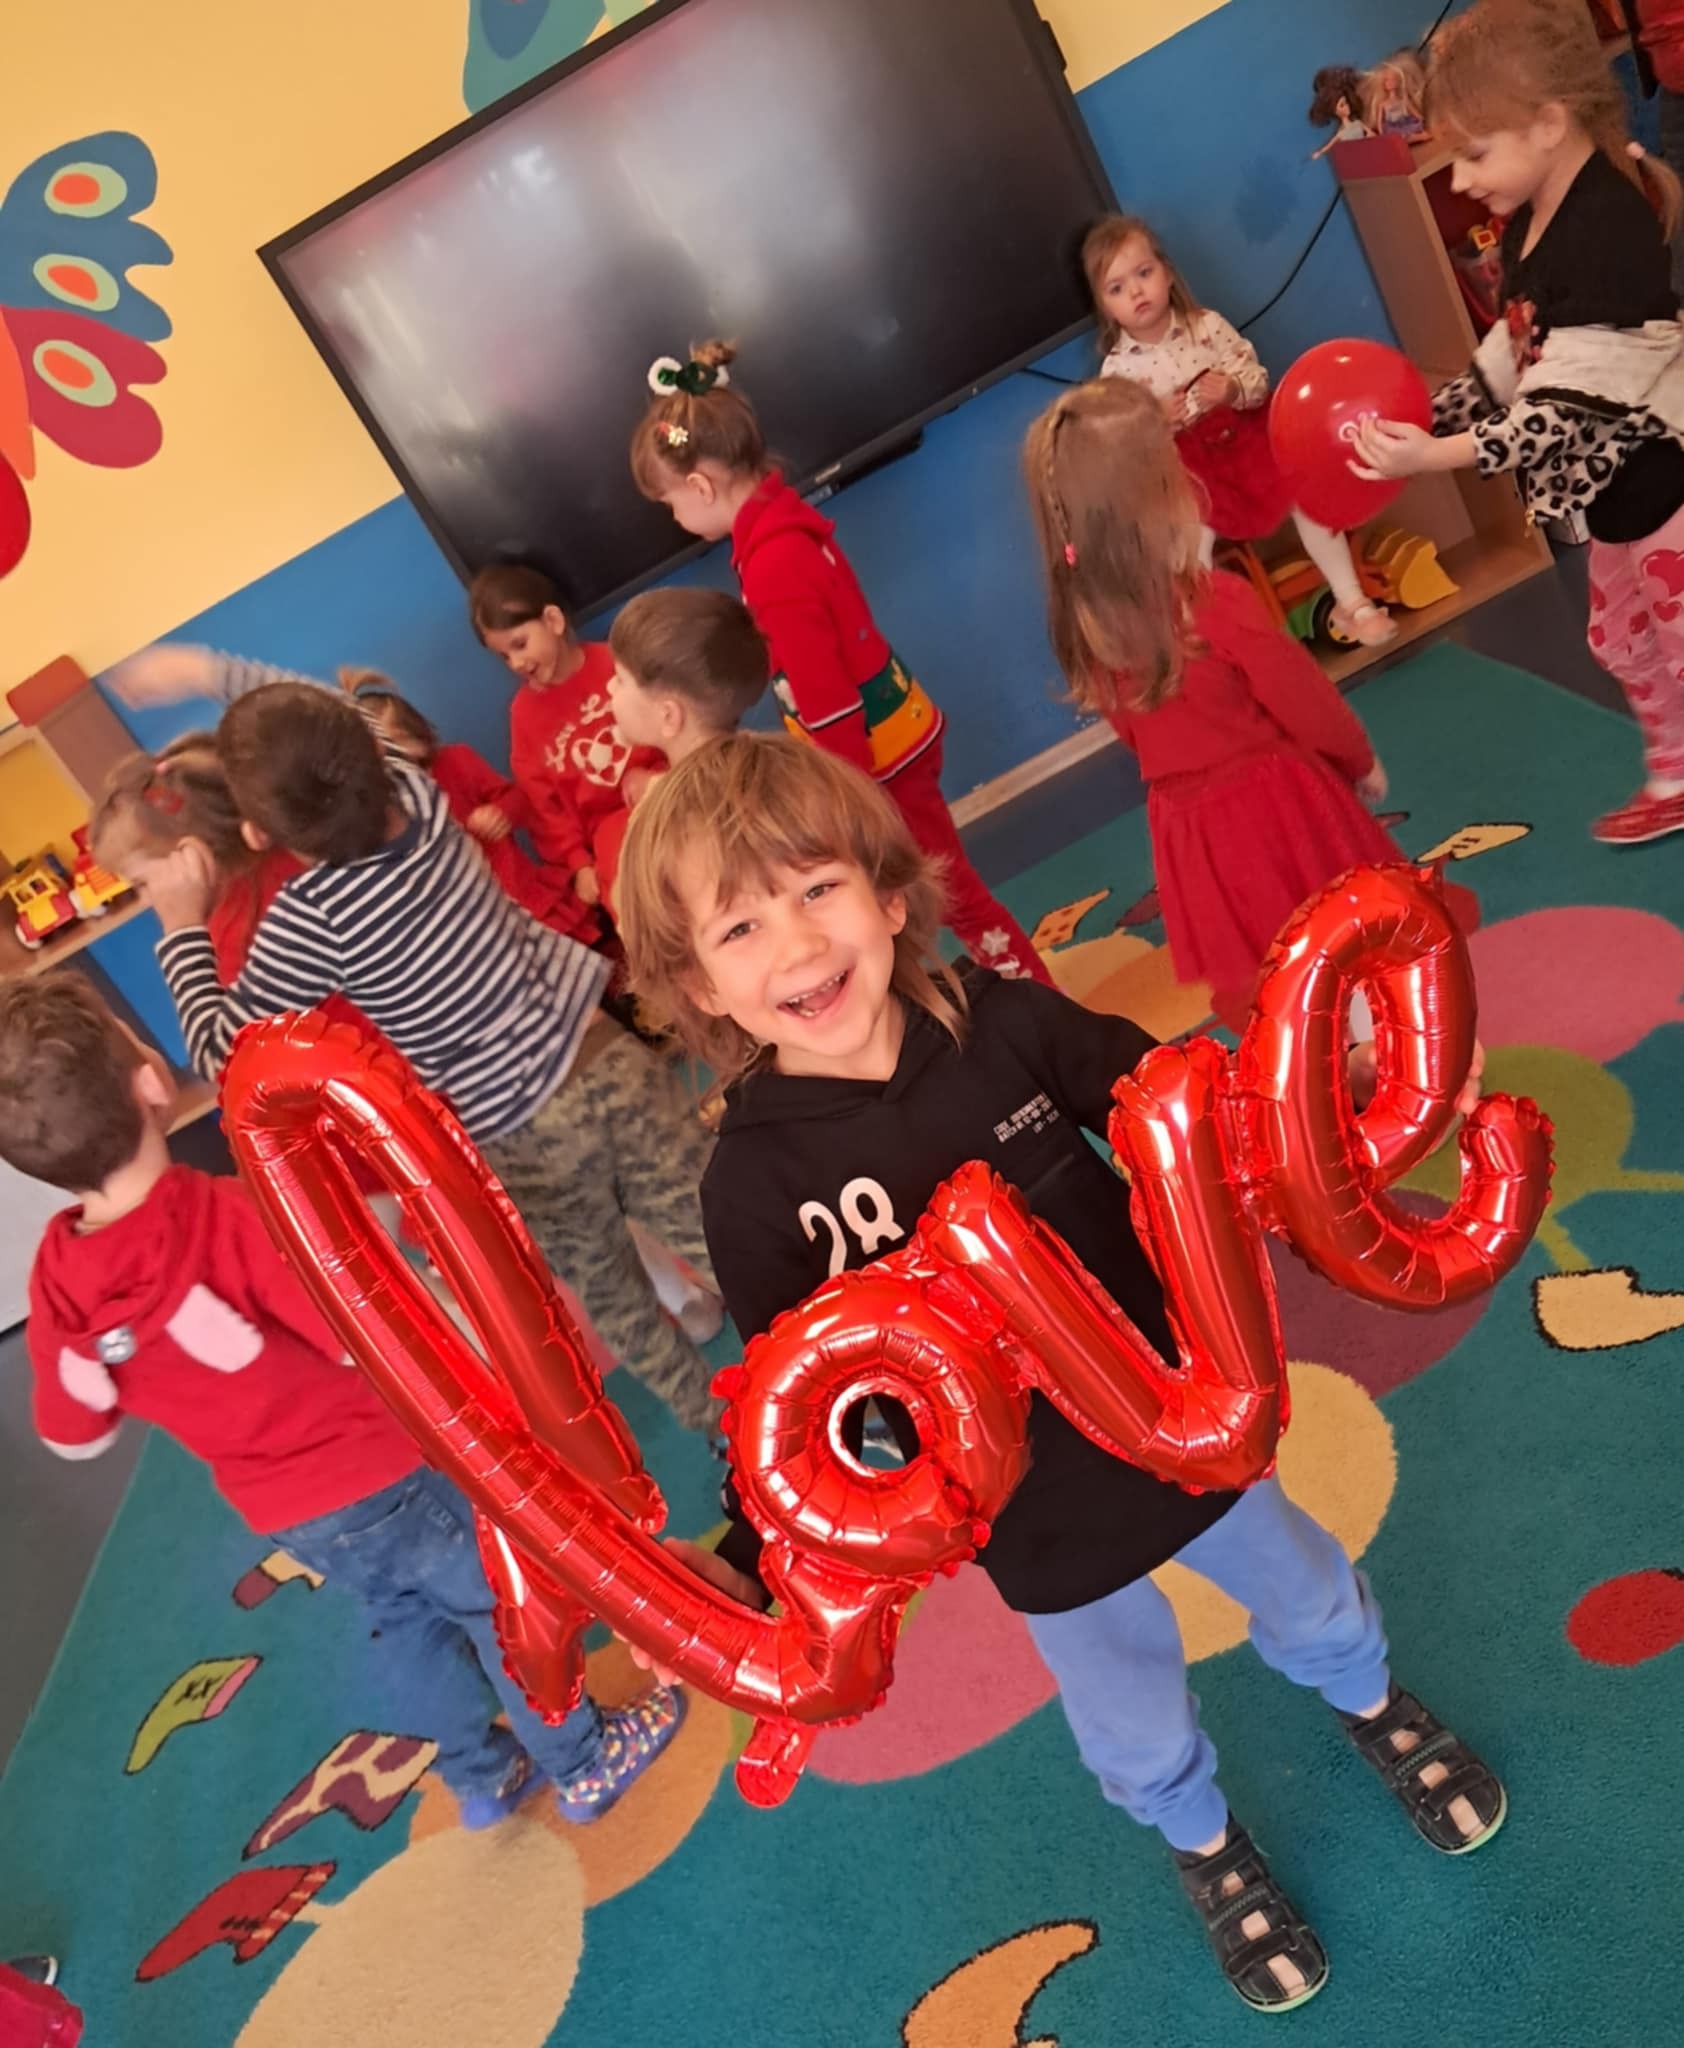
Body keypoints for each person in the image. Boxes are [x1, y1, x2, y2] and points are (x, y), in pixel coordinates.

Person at [613, 732, 1505, 2015]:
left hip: (1181, 1420)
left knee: (1309, 1591)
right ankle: (1200, 1839)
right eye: (740, 926)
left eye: (817, 888)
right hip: (1029, 1514)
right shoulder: (749, 1188)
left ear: (889, 892)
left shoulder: (1009, 1023)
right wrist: (743, 1569)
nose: (797, 944)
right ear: (697, 981)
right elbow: (793, 1419)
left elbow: (1194, 1112)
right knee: (1129, 1709)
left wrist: (1339, 1100)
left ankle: (1375, 1703)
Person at [0, 975, 684, 1827]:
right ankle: (582, 1760)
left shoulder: (57, 1276)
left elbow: (72, 1431)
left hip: (287, 1515)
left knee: (405, 1621)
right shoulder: (228, 1215)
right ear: (149, 1082)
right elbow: (357, 1330)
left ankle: (480, 1776)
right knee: (501, 1603)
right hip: (391, 1468)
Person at [106, 645, 724, 1438]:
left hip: (520, 1133)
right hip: (601, 1053)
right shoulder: (415, 791)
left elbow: (221, 1051)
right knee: (714, 1225)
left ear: (258, 832)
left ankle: (721, 1429)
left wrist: (179, 924)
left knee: (616, 1299)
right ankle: (841, 1359)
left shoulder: (311, 919)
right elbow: (327, 711)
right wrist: (201, 670)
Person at [1020, 376, 1475, 1035]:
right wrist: (1359, 759)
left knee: (1274, 956)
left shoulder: (1088, 629)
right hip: (1277, 804)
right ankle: (1380, 1050)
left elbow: (1134, 734)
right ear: (1160, 497)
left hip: (1189, 830)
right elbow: (1303, 698)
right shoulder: (1214, 603)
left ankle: (1322, 1057)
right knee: (1342, 934)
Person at [1353, 0, 1684, 844]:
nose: (1460, 181)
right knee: (1620, 640)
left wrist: (1434, 454)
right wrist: (1430, 413)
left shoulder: (1607, 231)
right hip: (1616, 500)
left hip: (1667, 490)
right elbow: (1516, 347)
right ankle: (1676, 771)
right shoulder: (1533, 221)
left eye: (1473, 154)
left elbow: (1560, 413)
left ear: (1548, 123)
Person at [629, 340, 1052, 987]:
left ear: (700, 485)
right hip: (883, 750)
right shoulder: (776, 526)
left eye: (670, 504)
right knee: (917, 892)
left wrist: (840, 798)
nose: (676, 517)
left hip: (878, 763)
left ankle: (1038, 993)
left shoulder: (773, 562)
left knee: (950, 893)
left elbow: (825, 694)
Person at [1084, 214, 1397, 648]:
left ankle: (1353, 602)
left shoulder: (1206, 326)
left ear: (1167, 273)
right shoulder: (1117, 371)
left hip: (1245, 443)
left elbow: (1256, 380)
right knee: (1190, 538)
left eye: (1144, 273)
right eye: (1117, 288)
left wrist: (1231, 389)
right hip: (1187, 469)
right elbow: (1122, 446)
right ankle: (1207, 637)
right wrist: (1154, 423)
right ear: (1105, 306)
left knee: (1306, 497)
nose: (1136, 292)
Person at [468, 563, 665, 938]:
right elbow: (543, 804)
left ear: (553, 621)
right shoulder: (524, 716)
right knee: (634, 899)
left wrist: (660, 776)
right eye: (504, 656)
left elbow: (668, 721)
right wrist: (579, 863)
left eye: (520, 644)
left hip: (664, 791)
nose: (517, 663)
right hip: (608, 829)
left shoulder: (616, 662)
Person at [343, 667, 594, 939]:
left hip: (523, 894)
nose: (403, 766)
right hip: (473, 920)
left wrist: (501, 813)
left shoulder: (456, 761)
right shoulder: (390, 813)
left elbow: (520, 799)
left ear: (417, 735)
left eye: (403, 749)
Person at [593, 586, 772, 917]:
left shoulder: (660, 825)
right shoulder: (775, 769)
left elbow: (639, 923)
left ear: (668, 716)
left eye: (619, 679)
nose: (609, 687)